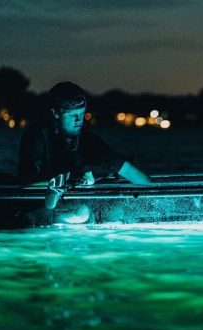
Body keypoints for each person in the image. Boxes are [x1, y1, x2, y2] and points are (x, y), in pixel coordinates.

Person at [17, 81, 151, 223]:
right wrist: (69, 179)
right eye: (71, 115)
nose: (78, 120)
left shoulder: (87, 139)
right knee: (83, 213)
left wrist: (153, 199)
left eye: (81, 114)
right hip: (35, 205)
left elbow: (127, 169)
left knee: (116, 210)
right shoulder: (37, 135)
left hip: (68, 202)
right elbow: (26, 180)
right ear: (55, 113)